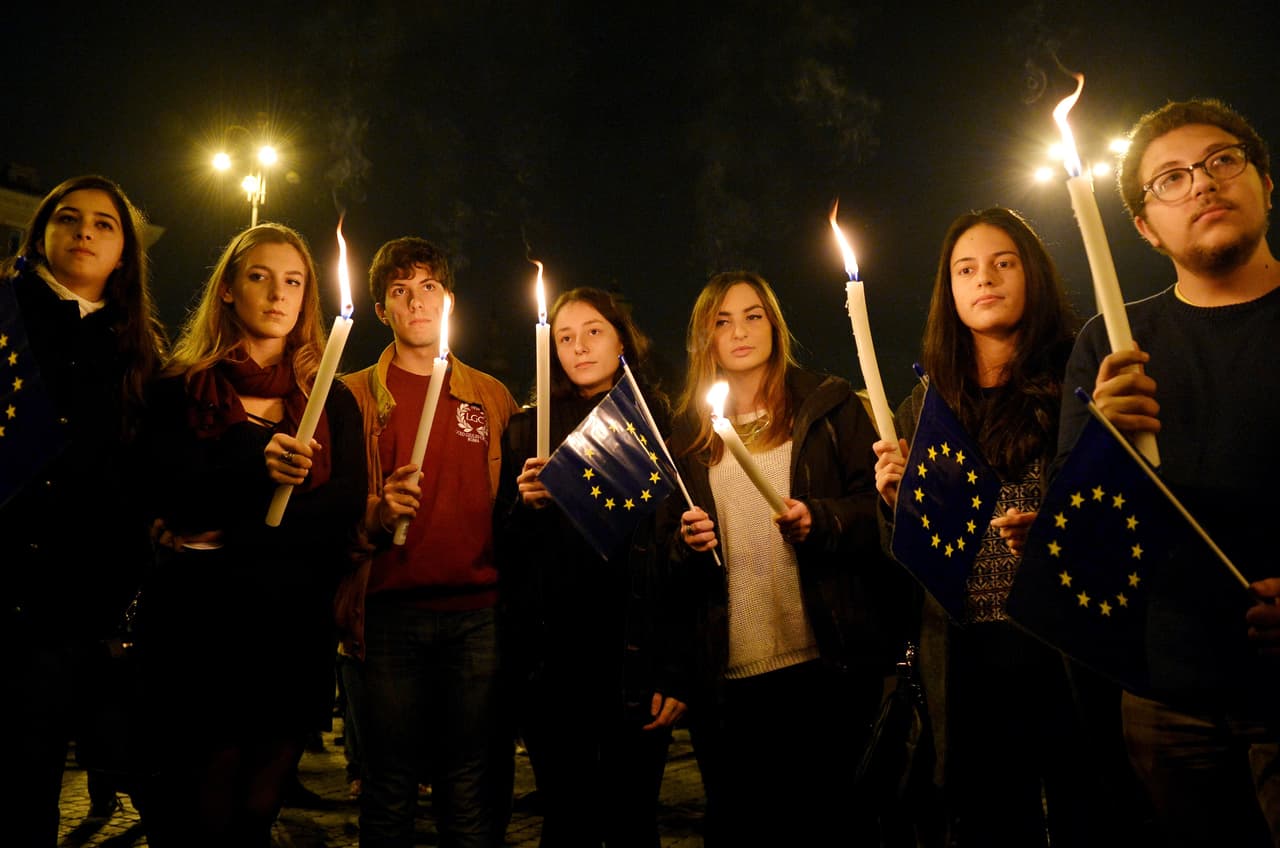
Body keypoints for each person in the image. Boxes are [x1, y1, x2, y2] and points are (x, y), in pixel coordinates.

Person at [873, 207, 1150, 846]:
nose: (985, 279)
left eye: (1003, 263)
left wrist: (1058, 530)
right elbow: (908, 554)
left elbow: (1123, 507)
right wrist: (895, 504)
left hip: (1064, 642)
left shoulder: (1081, 376)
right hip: (969, 652)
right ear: (948, 290)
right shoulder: (927, 403)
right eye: (965, 269)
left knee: (1093, 810)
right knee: (991, 819)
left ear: (1033, 274)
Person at [1059, 97, 1280, 847]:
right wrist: (1102, 444)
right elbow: (1076, 519)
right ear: (1146, 228)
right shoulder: (1113, 344)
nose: (1204, 183)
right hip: (1167, 694)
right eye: (1172, 179)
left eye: (1222, 161)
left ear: (1266, 183)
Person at [137, 222, 367, 847]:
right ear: (228, 289)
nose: (277, 293)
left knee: (261, 800)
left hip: (292, 624)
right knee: (204, 788)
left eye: (293, 281)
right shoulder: (179, 389)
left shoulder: (331, 400)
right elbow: (170, 498)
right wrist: (253, 470)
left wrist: (238, 525)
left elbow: (343, 507)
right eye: (259, 276)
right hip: (201, 624)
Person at [668, 270, 900, 845]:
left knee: (829, 823)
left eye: (753, 316)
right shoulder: (688, 434)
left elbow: (879, 512)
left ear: (774, 325)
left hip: (826, 663)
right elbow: (664, 555)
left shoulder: (828, 407)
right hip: (731, 678)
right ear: (705, 338)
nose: (739, 332)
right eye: (722, 321)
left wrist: (820, 520)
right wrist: (685, 541)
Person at [336, 236, 519, 848]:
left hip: (477, 618)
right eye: (400, 290)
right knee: (389, 789)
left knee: (468, 790)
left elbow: (515, 509)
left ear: (450, 301)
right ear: (382, 310)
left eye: (429, 286)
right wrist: (374, 514)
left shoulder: (491, 397)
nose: (417, 301)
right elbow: (327, 512)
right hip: (388, 615)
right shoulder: (353, 396)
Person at [0, 175, 166, 846]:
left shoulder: (138, 347)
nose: (85, 233)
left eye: (104, 223)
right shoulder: (7, 317)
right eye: (69, 218)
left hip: (89, 598)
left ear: (124, 252)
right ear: (41, 232)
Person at [494, 286, 691, 847]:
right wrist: (525, 508)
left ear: (622, 340)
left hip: (635, 658)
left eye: (593, 332)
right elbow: (505, 554)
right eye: (564, 337)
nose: (578, 347)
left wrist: (675, 669)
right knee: (567, 821)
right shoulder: (527, 431)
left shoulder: (662, 425)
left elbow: (682, 560)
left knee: (633, 821)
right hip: (556, 666)